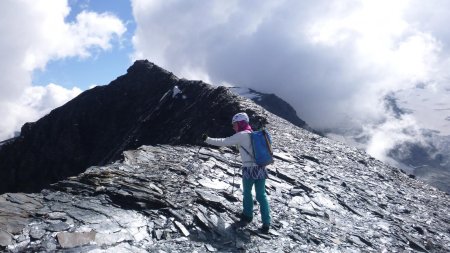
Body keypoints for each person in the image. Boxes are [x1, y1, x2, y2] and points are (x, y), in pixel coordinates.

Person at [202, 112, 271, 234]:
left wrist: (207, 139)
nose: (233, 127)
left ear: (240, 123)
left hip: (249, 169)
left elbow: (224, 141)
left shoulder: (241, 135)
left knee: (247, 193)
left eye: (235, 124)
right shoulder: (253, 134)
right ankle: (266, 223)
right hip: (261, 167)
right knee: (261, 195)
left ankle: (247, 216)